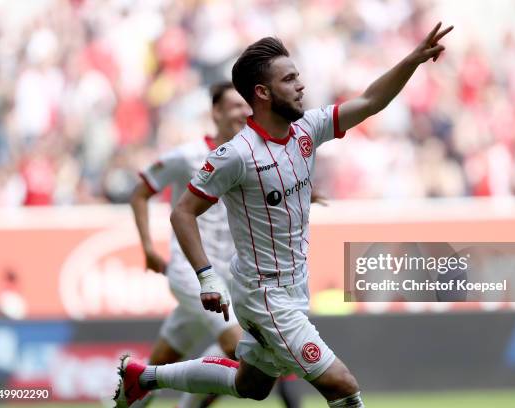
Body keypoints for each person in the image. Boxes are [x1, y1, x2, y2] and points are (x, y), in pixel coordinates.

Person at [115, 22, 453, 408]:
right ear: (262, 92)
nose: (300, 85)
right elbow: (182, 213)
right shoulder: (237, 155)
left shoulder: (308, 129)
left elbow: (372, 100)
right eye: (289, 79)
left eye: (298, 76)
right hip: (265, 295)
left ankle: (145, 376)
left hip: (293, 288)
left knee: (251, 386)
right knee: (343, 385)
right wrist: (207, 277)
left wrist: (412, 60)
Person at [128, 81, 301, 408]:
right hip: (192, 271)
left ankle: (129, 394)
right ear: (216, 112)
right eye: (234, 105)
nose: (242, 111)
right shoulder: (187, 156)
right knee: (246, 353)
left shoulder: (252, 156)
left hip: (230, 276)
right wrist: (148, 248)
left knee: (160, 362)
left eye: (245, 105)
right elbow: (140, 192)